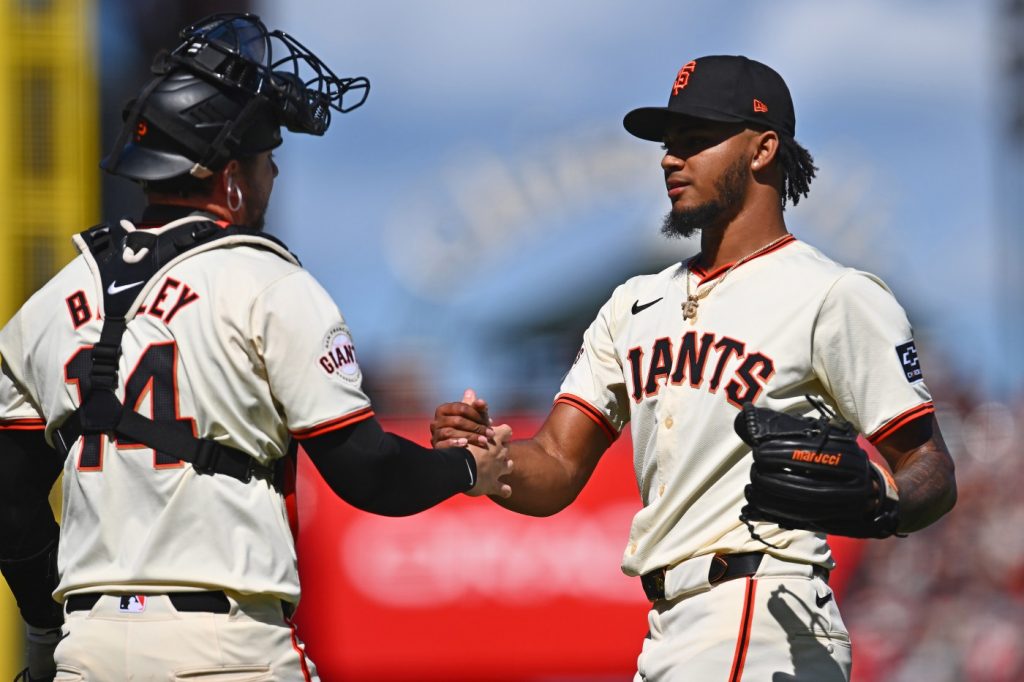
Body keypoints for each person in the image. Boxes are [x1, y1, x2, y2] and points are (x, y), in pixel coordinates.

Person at [0, 13, 512, 682]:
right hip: (223, 649)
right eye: (267, 158)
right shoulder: (268, 284)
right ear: (228, 175)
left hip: (89, 651)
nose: (273, 174)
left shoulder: (45, 306)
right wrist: (468, 468)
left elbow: (12, 504)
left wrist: (47, 631)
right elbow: (367, 473)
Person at [431, 54, 957, 681]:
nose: (668, 159)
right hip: (669, 624)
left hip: (764, 613)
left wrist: (885, 500)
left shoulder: (834, 295)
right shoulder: (634, 305)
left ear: (763, 149)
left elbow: (930, 466)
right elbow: (559, 464)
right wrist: (492, 463)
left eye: (696, 140)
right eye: (667, 143)